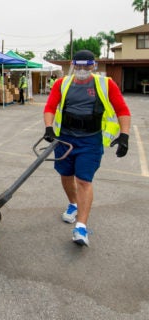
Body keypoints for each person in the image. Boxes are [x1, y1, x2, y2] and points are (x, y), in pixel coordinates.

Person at [43, 49, 131, 247]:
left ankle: (81, 227)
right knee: (66, 176)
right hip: (65, 139)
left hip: (90, 141)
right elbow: (50, 107)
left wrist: (124, 136)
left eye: (86, 66)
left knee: (83, 180)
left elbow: (122, 110)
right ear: (73, 65)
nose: (82, 69)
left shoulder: (105, 84)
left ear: (94, 66)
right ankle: (73, 204)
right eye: (78, 65)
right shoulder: (62, 83)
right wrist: (49, 128)